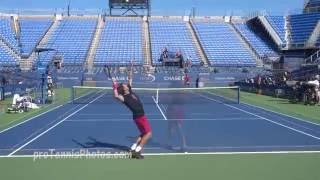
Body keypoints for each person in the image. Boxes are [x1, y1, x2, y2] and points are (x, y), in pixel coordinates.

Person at [111, 69, 152, 159]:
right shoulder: (124, 97)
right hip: (140, 116)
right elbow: (116, 96)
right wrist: (114, 84)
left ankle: (133, 148)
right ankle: (137, 151)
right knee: (148, 134)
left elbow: (130, 78)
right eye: (124, 85)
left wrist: (130, 72)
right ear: (123, 89)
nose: (126, 84)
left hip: (140, 116)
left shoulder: (131, 91)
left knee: (143, 133)